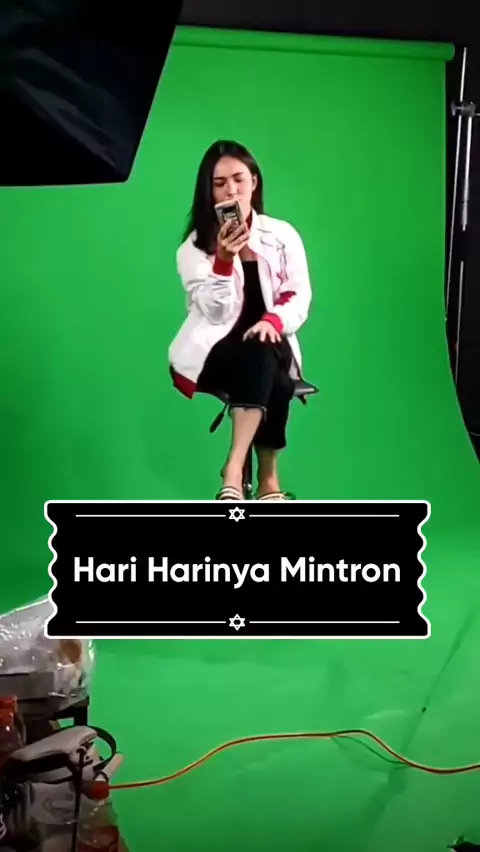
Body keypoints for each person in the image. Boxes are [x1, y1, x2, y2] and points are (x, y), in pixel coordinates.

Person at [169, 140, 312, 501]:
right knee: (275, 378)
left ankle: (232, 470)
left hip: (271, 342)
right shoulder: (192, 249)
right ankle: (266, 479)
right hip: (217, 351)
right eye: (220, 184)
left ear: (254, 182)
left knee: (264, 351)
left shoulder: (282, 235)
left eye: (238, 180)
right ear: (209, 192)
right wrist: (222, 260)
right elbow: (215, 313)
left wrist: (272, 321)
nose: (231, 191)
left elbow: (298, 295)